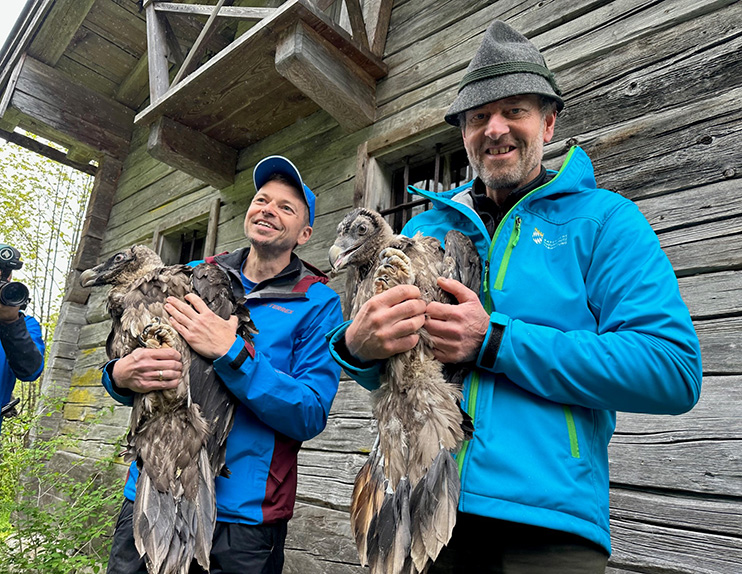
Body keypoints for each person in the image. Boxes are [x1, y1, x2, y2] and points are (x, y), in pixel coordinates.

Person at [327, 20, 702, 574]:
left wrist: (497, 341)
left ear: (548, 123)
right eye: (479, 117)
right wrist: (357, 348)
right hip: (418, 495)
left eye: (515, 111)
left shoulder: (605, 222)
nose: (495, 128)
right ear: (463, 134)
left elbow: (671, 370)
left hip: (547, 529)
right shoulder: (424, 231)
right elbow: (392, 368)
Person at [102, 156, 343, 574]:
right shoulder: (192, 275)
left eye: (286, 207)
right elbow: (134, 363)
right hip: (156, 485)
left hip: (244, 519)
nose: (268, 208)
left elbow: (309, 412)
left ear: (305, 233)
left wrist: (233, 353)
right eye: (261, 199)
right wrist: (120, 377)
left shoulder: (319, 304)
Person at [0, 245, 45, 431]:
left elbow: (30, 371)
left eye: (3, 274)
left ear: (9, 278)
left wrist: (11, 321)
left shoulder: (25, 325)